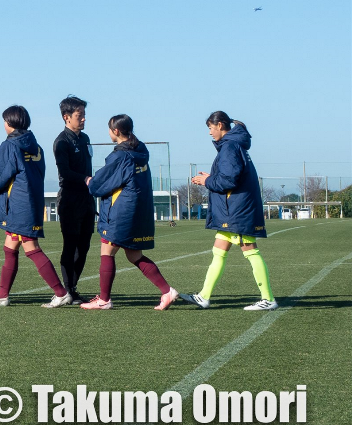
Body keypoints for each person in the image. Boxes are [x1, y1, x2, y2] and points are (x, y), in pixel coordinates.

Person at [80, 115, 178, 310]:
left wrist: (90, 182)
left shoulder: (121, 156)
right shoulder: (140, 151)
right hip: (138, 210)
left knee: (107, 251)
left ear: (116, 131)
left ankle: (104, 300)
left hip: (122, 211)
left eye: (109, 129)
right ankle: (167, 291)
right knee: (134, 255)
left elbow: (101, 184)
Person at [0, 106, 72, 308]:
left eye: (4, 121)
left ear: (9, 123)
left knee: (31, 247)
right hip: (32, 201)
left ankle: (61, 292)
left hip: (18, 205)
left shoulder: (10, 145)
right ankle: (3, 295)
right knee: (10, 247)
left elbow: (0, 173)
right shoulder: (36, 146)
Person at [181, 113, 274, 311]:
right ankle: (204, 296)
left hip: (237, 210)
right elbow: (230, 176)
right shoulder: (232, 145)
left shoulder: (230, 146)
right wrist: (212, 176)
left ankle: (268, 299)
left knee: (250, 251)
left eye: (210, 128)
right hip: (233, 210)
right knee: (218, 252)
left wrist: (206, 181)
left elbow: (229, 181)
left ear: (220, 125)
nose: (209, 132)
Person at [53, 95, 95, 304]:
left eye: (84, 115)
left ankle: (73, 287)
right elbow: (65, 172)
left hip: (87, 199)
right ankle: (67, 289)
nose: (84, 119)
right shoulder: (61, 142)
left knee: (84, 245)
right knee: (70, 245)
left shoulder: (85, 139)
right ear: (66, 117)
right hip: (70, 199)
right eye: (80, 116)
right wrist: (85, 178)